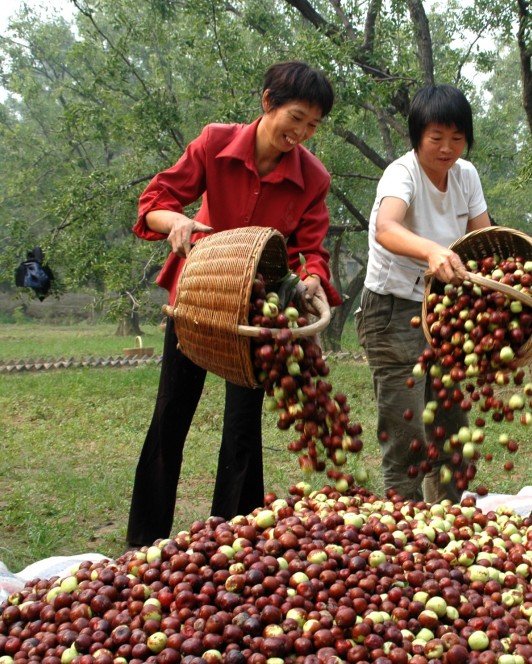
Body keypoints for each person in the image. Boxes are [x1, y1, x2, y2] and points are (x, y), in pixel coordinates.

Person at [126, 61, 340, 548]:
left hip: (257, 310)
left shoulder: (313, 177)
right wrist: (175, 222)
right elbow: (154, 202)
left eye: (312, 125)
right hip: (198, 299)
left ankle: (234, 544)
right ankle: (142, 544)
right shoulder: (215, 143)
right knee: (170, 419)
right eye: (296, 117)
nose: (302, 133)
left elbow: (313, 249)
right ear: (268, 103)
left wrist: (311, 281)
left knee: (243, 427)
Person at [356, 84, 491, 504]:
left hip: (443, 311)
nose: (447, 148)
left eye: (456, 138)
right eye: (436, 139)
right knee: (408, 433)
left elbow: (484, 237)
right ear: (417, 138)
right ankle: (407, 534)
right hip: (393, 311)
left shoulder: (466, 175)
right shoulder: (402, 174)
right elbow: (387, 228)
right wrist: (433, 250)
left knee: (453, 428)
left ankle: (449, 524)